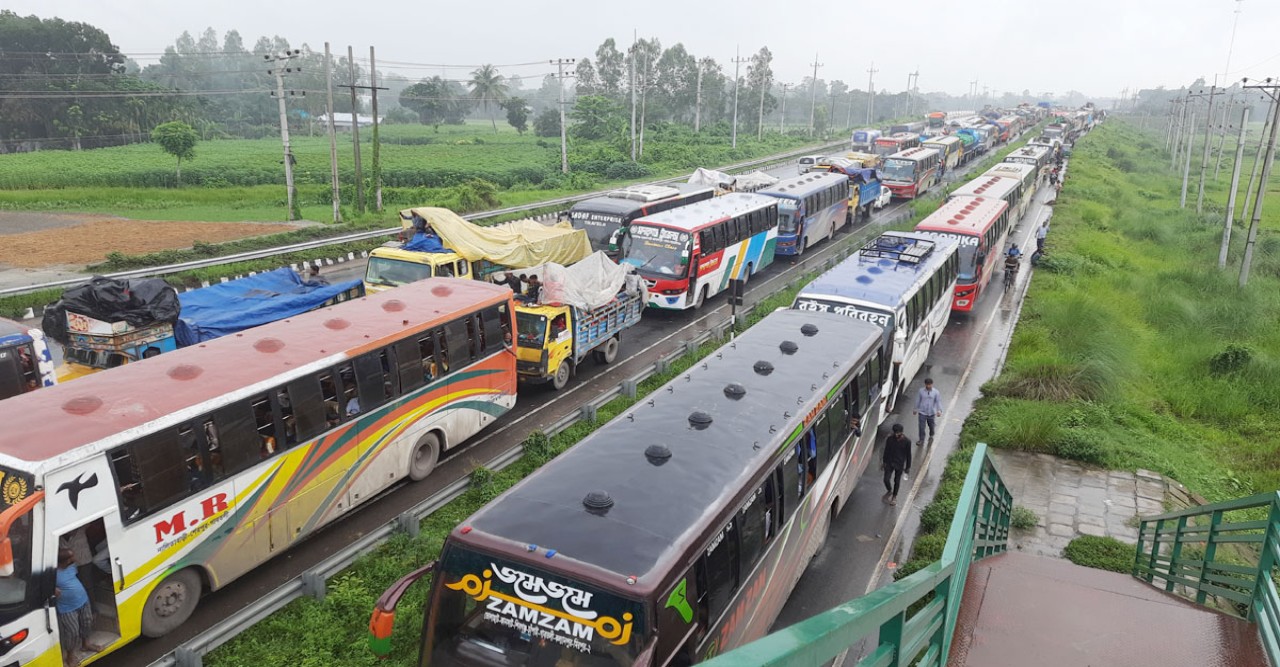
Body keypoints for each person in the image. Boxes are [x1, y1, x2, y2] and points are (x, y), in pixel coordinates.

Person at [56, 548, 102, 666]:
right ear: (64, 561)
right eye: (71, 557)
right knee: (72, 632)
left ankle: (85, 644)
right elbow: (42, 588)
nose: (74, 558)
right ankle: (70, 656)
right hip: (67, 608)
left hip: (83, 600)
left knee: (87, 622)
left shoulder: (72, 567)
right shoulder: (52, 574)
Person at [881, 425, 912, 505]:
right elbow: (886, 450)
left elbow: (909, 455)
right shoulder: (890, 439)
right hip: (889, 462)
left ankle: (894, 496)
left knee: (897, 481)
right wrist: (884, 462)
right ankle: (889, 490)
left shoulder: (907, 442)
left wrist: (908, 467)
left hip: (899, 464)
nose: (896, 435)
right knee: (886, 479)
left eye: (898, 433)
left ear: (901, 432)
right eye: (895, 433)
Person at [914, 377, 943, 446]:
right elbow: (918, 400)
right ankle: (921, 439)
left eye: (929, 384)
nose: (928, 386)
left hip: (931, 413)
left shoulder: (936, 392)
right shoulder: (921, 391)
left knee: (931, 426)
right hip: (922, 412)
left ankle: (931, 435)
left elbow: (938, 402)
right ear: (925, 384)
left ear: (932, 384)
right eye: (927, 384)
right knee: (921, 426)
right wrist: (915, 409)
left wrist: (939, 410)